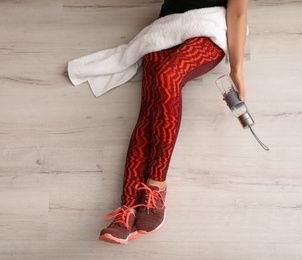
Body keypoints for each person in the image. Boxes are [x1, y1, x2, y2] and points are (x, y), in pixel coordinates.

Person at [99, 0, 249, 244]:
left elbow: (239, 12)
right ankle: (126, 211)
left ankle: (156, 186)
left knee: (167, 76)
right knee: (149, 111)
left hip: (207, 24)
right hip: (168, 25)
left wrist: (237, 70)